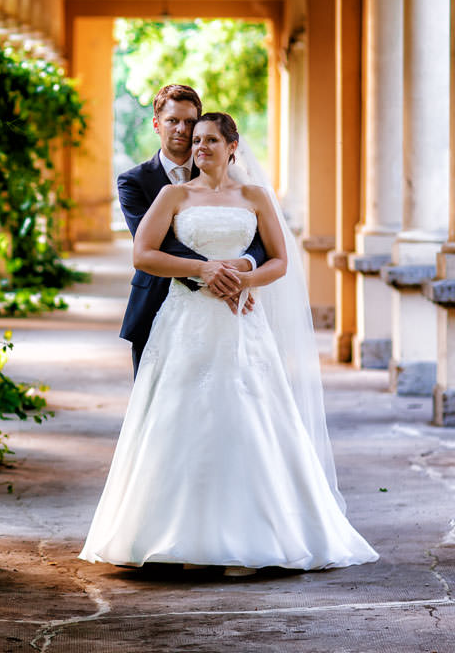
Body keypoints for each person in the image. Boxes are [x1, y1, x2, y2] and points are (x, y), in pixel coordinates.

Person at [80, 112, 377, 572]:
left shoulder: (255, 197)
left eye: (211, 139)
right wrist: (202, 270)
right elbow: (144, 253)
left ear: (232, 146)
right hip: (185, 321)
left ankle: (255, 535)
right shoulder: (173, 194)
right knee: (179, 419)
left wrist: (245, 280)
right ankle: (165, 536)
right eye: (197, 140)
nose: (200, 147)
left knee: (248, 416)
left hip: (241, 322)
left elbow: (279, 260)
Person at [116, 85, 266, 376]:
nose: (182, 130)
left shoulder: (222, 170)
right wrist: (212, 272)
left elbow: (256, 236)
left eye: (189, 122)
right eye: (173, 121)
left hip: (228, 303)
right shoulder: (133, 181)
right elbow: (158, 244)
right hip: (158, 301)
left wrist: (242, 270)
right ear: (157, 124)